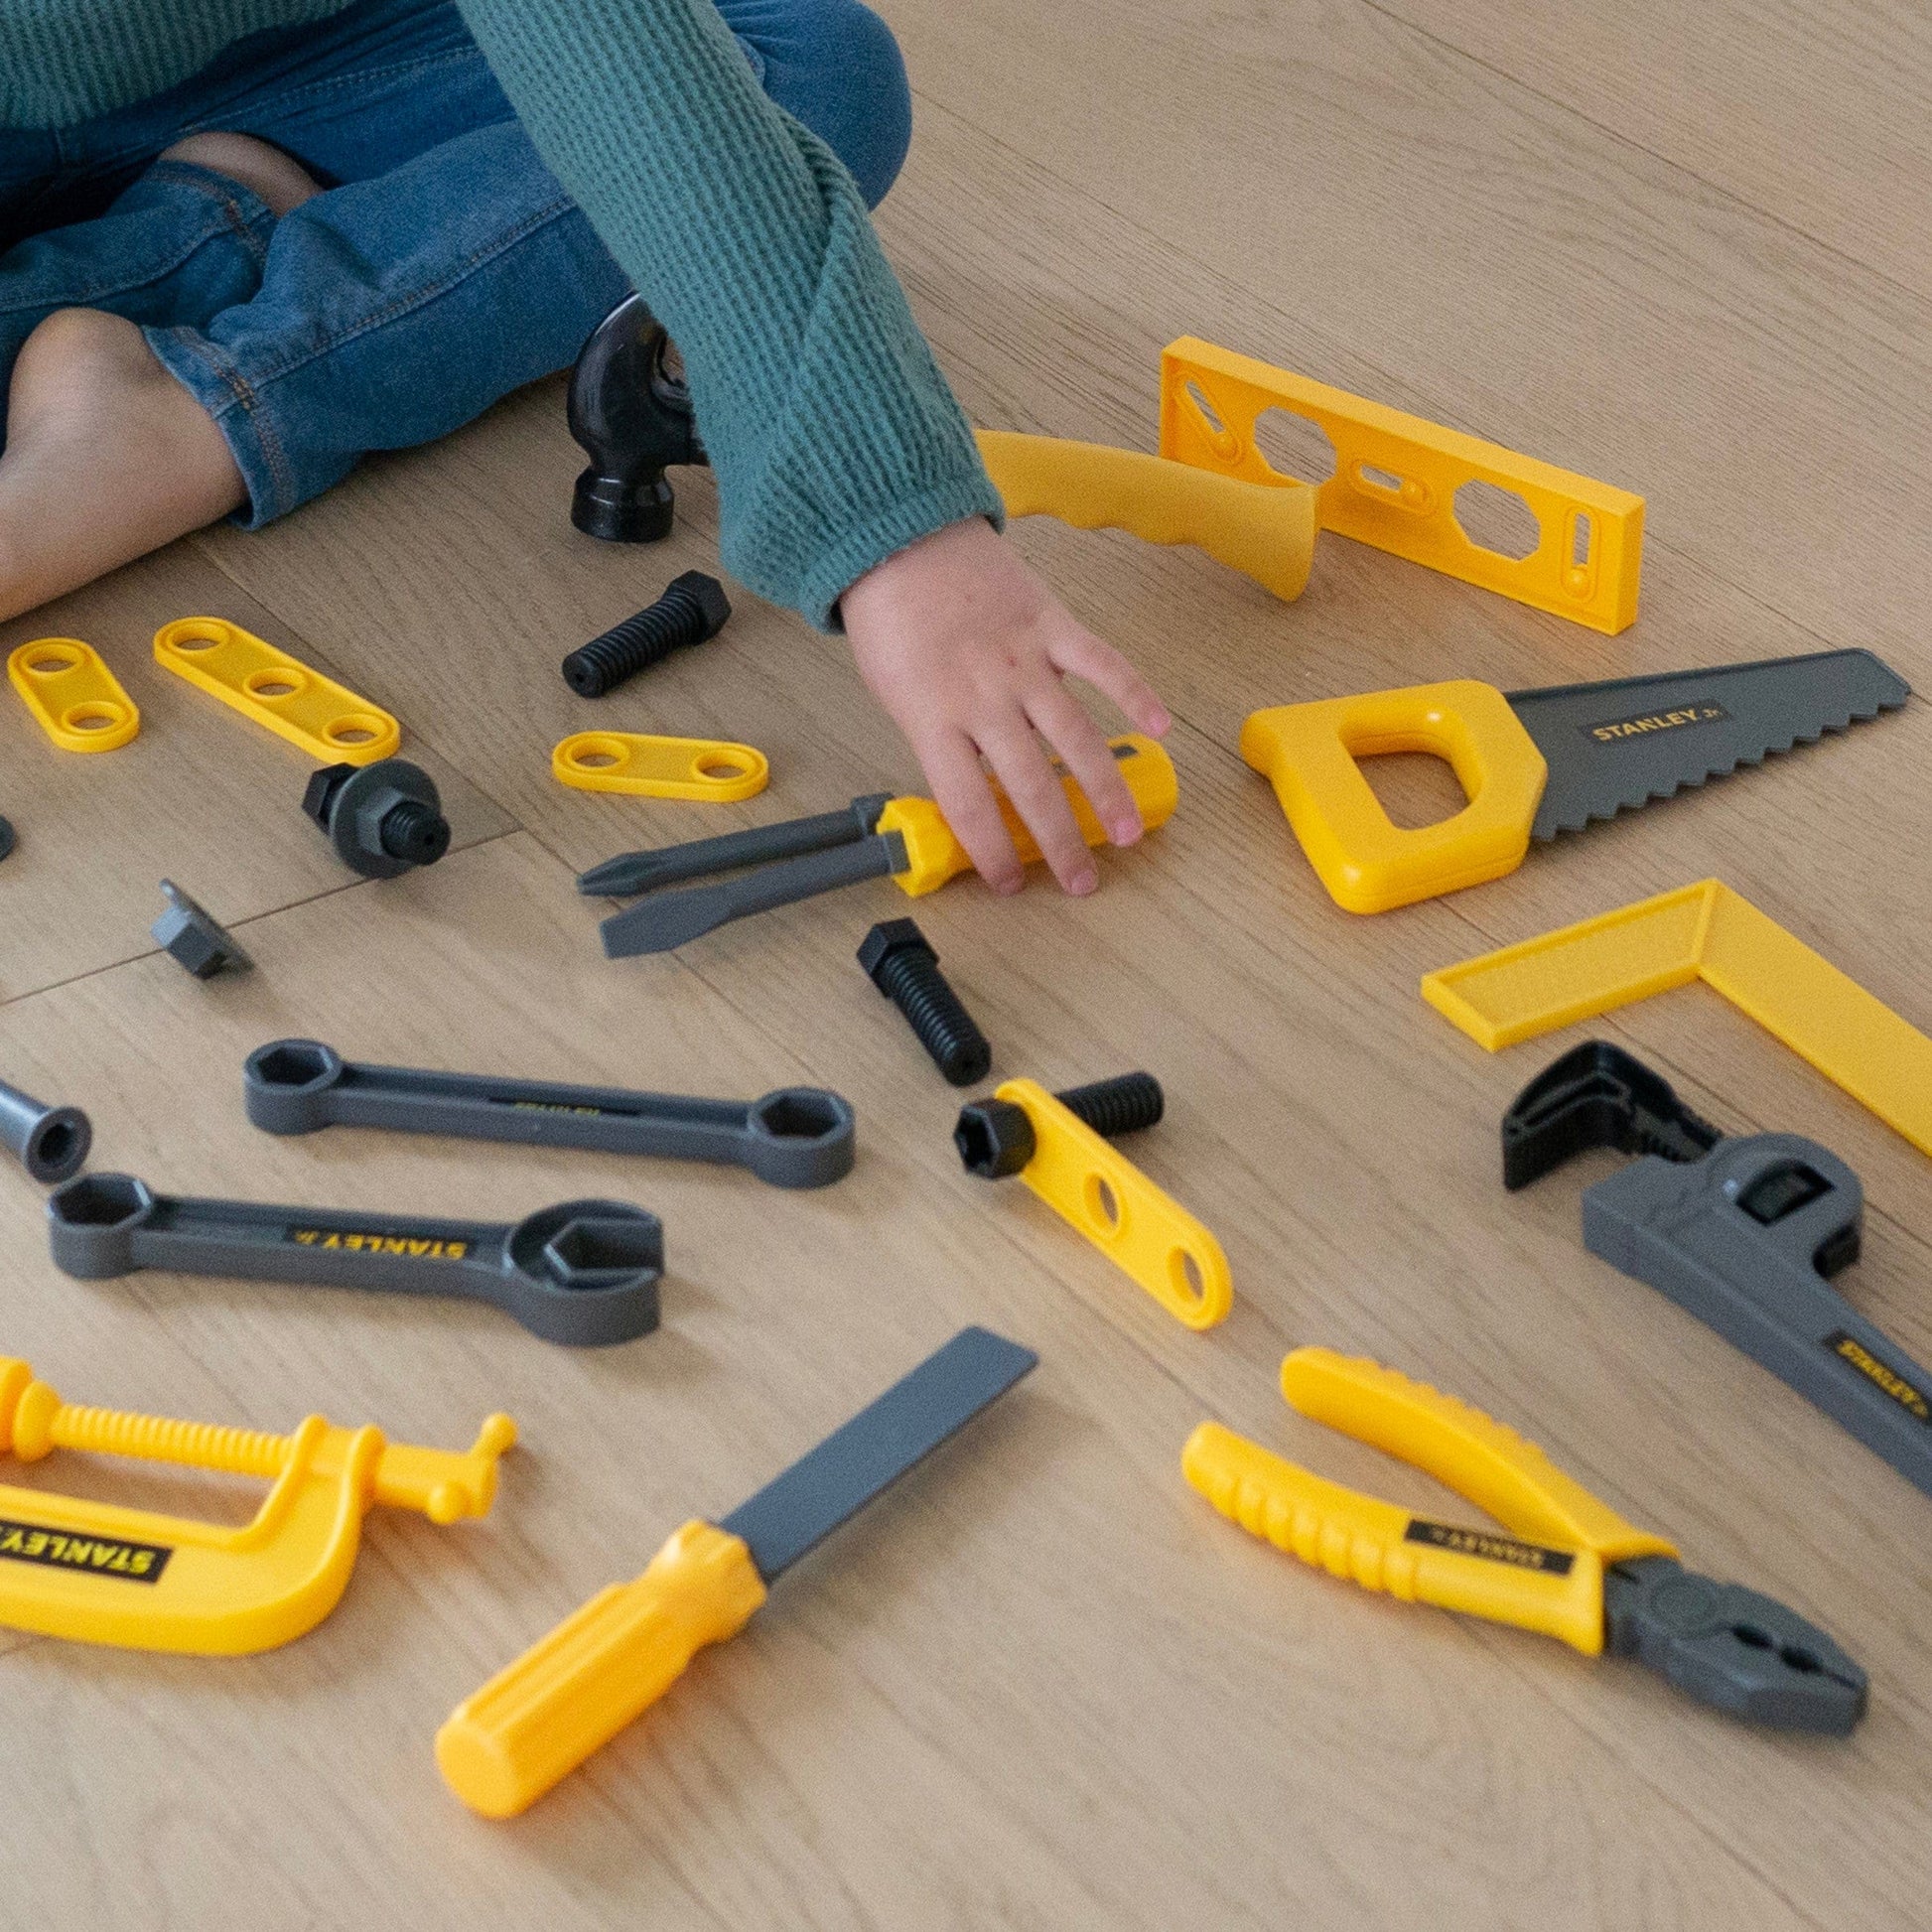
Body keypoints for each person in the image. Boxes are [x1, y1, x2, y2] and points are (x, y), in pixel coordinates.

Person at [0, 0, 1171, 896]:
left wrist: (888, 520)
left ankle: (192, 383)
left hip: (282, 66)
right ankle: (205, 241)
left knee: (801, 61)